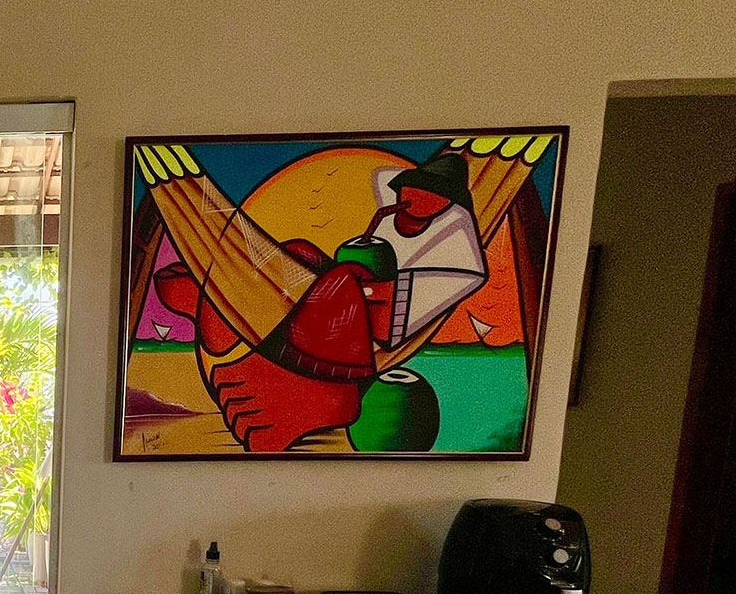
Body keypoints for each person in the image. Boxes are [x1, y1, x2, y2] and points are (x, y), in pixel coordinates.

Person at [156, 153, 488, 452]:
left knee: (339, 281)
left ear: (445, 204)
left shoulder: (454, 251)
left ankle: (314, 390)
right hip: (352, 302)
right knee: (300, 252)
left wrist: (361, 282)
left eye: (427, 194)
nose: (410, 198)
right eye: (408, 189)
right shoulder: (392, 218)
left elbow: (397, 306)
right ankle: (229, 300)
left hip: (387, 313)